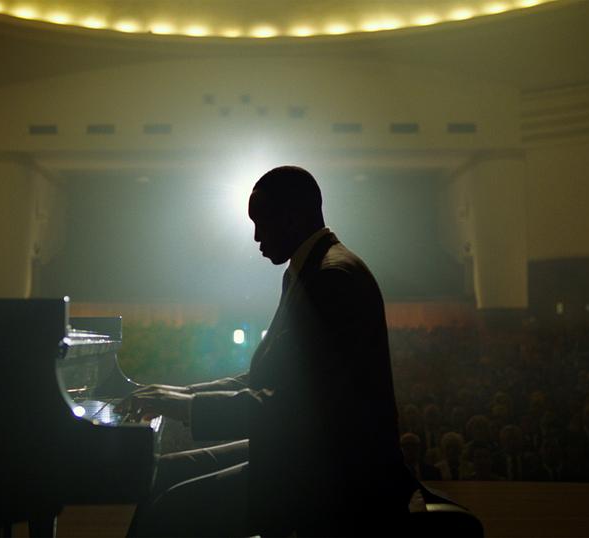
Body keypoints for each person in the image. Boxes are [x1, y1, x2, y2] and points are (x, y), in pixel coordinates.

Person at [122, 165, 415, 537]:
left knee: (172, 508)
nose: (256, 237)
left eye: (261, 222)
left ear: (293, 218)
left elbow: (290, 408)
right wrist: (181, 394)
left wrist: (187, 407)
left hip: (339, 477)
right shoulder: (314, 269)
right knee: (162, 472)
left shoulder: (331, 279)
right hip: (311, 453)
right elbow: (271, 378)